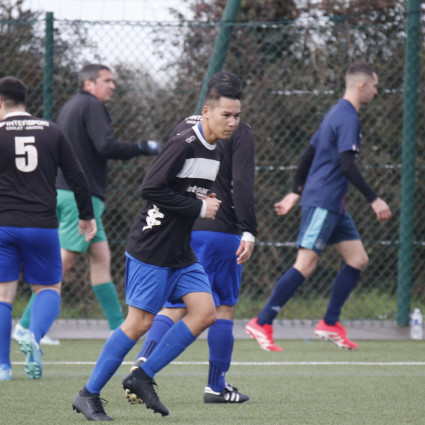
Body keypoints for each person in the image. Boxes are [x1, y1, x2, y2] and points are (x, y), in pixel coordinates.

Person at [72, 77, 242, 421]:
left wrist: (201, 197)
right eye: (226, 115)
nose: (233, 122)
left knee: (205, 312)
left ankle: (142, 376)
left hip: (181, 250)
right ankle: (88, 394)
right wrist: (199, 207)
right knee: (139, 323)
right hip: (152, 246)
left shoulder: (218, 148)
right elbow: (150, 188)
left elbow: (184, 188)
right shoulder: (183, 143)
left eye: (237, 116)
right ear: (206, 112)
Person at [125, 72, 256, 405]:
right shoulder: (240, 130)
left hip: (185, 229)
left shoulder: (186, 126)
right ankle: (216, 386)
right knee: (222, 307)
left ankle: (143, 363)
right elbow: (242, 184)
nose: (232, 119)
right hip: (221, 230)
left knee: (175, 306)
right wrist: (248, 229)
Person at [246, 62, 392, 351]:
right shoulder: (347, 117)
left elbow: (308, 153)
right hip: (324, 201)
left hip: (333, 204)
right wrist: (374, 198)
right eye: (375, 86)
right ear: (362, 85)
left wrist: (294, 191)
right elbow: (347, 165)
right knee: (306, 264)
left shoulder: (335, 112)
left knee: (358, 259)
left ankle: (330, 323)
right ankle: (262, 322)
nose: (377, 91)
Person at [12, 63, 162, 345]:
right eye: (107, 80)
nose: (112, 86)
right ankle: (25, 327)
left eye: (112, 81)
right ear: (89, 84)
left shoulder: (71, 106)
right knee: (63, 262)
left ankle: (118, 328)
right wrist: (144, 147)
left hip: (73, 195)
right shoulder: (92, 106)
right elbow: (106, 145)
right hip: (79, 199)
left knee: (101, 258)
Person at [0, 76, 96, 381]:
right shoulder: (51, 131)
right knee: (49, 289)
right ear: (25, 100)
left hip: (3, 225)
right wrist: (86, 215)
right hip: (41, 226)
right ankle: (33, 335)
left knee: (3, 295)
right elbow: (77, 176)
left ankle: (3, 367)